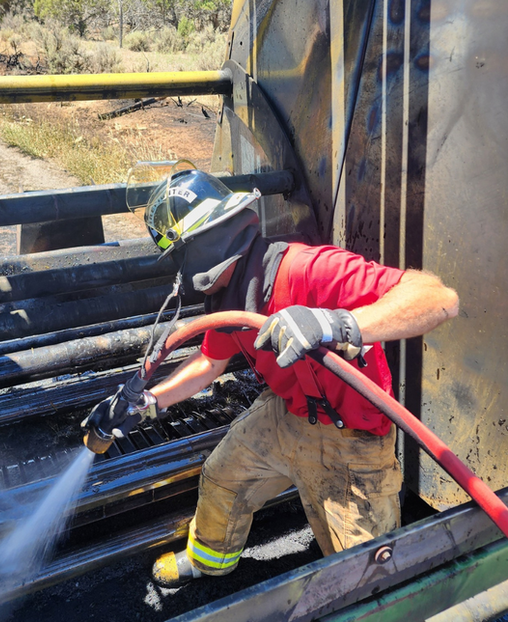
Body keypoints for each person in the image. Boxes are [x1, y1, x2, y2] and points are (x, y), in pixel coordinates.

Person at [131, 163, 459, 587]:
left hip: (354, 438)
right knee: (222, 475)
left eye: (178, 260)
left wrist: (335, 323)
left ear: (202, 248)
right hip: (288, 413)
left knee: (366, 571)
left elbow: (438, 298)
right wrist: (151, 401)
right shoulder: (228, 299)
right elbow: (208, 364)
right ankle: (208, 559)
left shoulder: (308, 269)